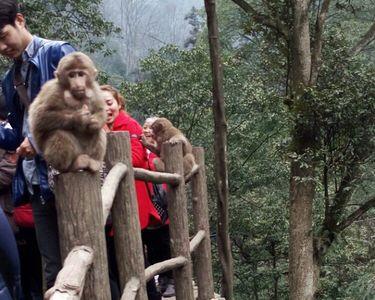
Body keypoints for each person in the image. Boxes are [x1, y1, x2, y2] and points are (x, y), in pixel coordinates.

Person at [0, 0, 75, 289]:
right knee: (53, 270)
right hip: (36, 183)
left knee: (86, 257)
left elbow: (81, 110)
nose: (3, 47)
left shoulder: (58, 53)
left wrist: (38, 140)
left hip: (70, 177)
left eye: (3, 36)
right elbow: (18, 135)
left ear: (20, 20)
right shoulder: (11, 78)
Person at [101, 85, 163, 300]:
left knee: (133, 259)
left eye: (109, 103)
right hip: (113, 207)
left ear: (119, 103)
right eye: (100, 105)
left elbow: (135, 159)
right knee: (118, 260)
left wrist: (108, 138)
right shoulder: (99, 126)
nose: (106, 109)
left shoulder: (129, 125)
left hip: (131, 203)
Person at [141, 117, 175, 298]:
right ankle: (159, 278)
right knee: (151, 246)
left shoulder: (164, 148)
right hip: (146, 208)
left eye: (152, 127)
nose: (148, 130)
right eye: (145, 127)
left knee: (164, 244)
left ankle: (169, 278)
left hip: (163, 206)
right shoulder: (141, 150)